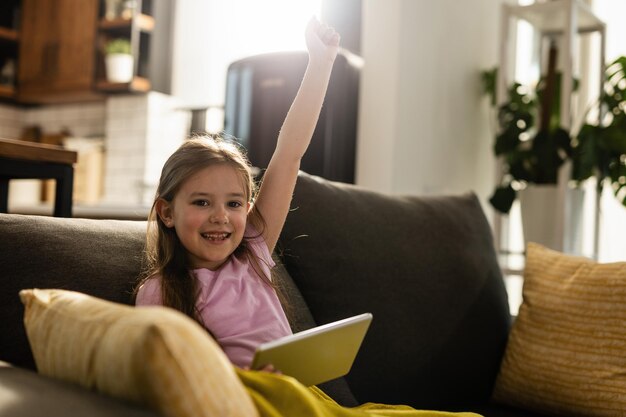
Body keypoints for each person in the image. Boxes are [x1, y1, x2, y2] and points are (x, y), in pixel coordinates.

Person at [134, 16, 340, 370]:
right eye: (202, 202)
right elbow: (165, 375)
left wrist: (320, 64)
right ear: (166, 212)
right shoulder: (159, 291)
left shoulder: (253, 251)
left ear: (246, 209)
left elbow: (288, 154)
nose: (221, 216)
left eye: (233, 204)